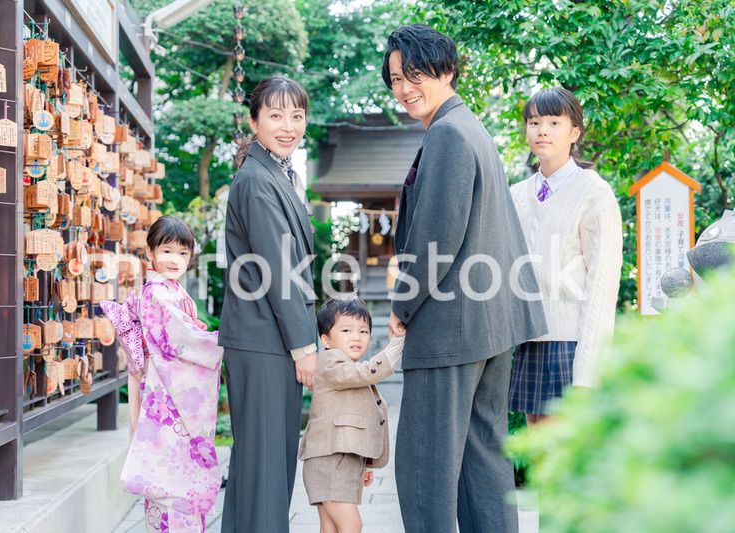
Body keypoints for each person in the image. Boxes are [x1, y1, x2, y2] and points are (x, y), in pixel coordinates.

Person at [381, 24, 548, 533]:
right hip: (490, 327)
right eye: (394, 79)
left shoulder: (449, 134)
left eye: (414, 73)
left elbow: (436, 237)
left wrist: (401, 307)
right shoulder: (469, 127)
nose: (404, 87)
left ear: (446, 69)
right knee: (483, 462)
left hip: (453, 329)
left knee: (427, 470)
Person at [217, 76, 318, 533]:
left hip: (264, 339)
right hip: (265, 340)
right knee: (265, 469)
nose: (288, 126)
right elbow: (277, 269)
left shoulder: (273, 173)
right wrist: (304, 345)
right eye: (275, 115)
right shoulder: (258, 181)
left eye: (296, 116)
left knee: (263, 467)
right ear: (253, 120)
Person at [100, 215, 223, 532]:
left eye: (183, 253)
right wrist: (222, 343)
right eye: (167, 250)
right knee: (171, 477)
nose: (175, 260)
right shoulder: (156, 292)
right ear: (150, 252)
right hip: (166, 393)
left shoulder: (169, 290)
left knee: (174, 474)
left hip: (167, 387)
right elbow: (178, 341)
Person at [509, 87, 623, 423]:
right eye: (534, 121)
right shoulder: (517, 194)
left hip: (572, 342)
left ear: (575, 132)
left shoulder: (595, 193)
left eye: (554, 122)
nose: (542, 130)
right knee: (538, 447)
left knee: (566, 454)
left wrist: (589, 368)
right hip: (530, 338)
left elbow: (602, 285)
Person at [298, 296, 405, 533]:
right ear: (325, 340)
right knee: (351, 524)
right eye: (346, 330)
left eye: (363, 331)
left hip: (338, 459)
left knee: (330, 526)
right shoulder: (330, 361)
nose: (356, 337)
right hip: (328, 460)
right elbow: (363, 373)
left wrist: (365, 464)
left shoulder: (345, 365)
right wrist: (396, 346)